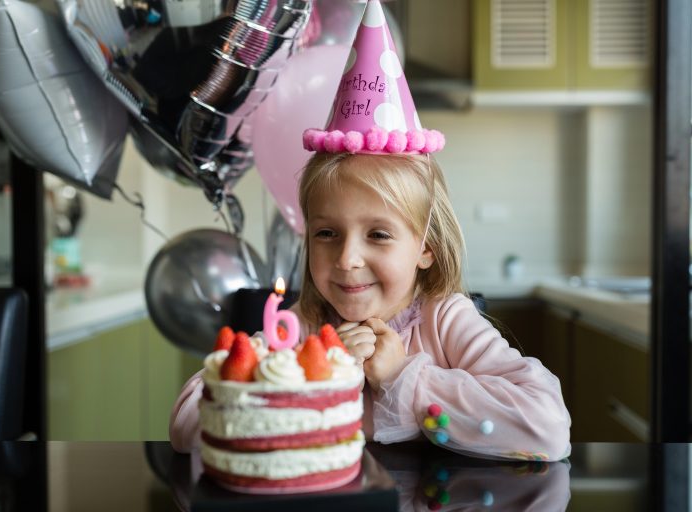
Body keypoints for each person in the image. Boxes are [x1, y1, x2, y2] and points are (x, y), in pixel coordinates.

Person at [169, 0, 570, 461]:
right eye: (327, 233)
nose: (346, 259)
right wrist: (311, 373)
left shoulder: (446, 321)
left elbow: (548, 427)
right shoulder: (300, 328)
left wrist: (405, 378)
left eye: (378, 234)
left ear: (427, 246)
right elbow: (186, 426)